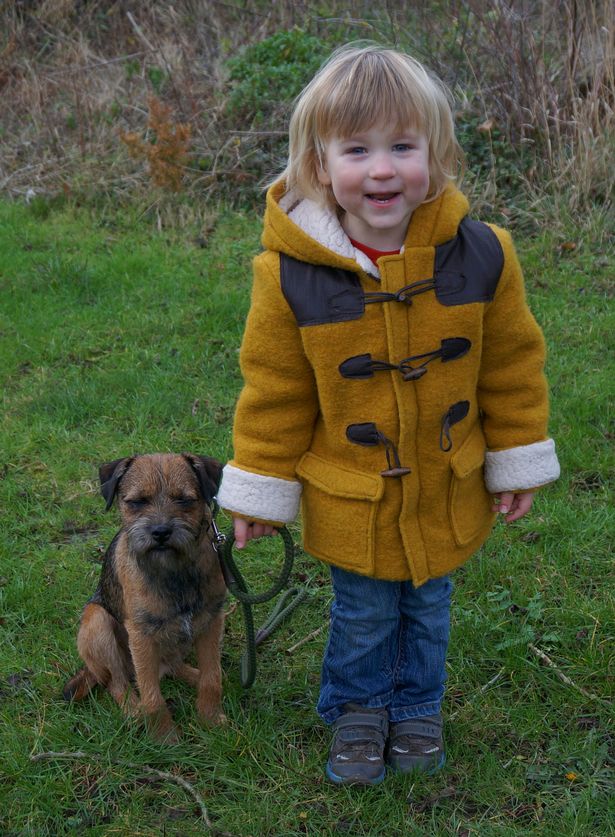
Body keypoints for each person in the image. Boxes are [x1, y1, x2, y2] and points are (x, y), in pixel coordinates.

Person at [217, 43, 560, 786]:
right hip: (354, 494)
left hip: (444, 484)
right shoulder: (288, 275)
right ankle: (357, 709)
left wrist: (516, 455)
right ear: (317, 163)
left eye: (402, 147)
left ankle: (416, 706)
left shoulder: (483, 256)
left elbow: (510, 366)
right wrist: (260, 491)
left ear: (435, 156)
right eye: (357, 149)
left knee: (427, 605)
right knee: (366, 609)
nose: (381, 169)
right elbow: (273, 390)